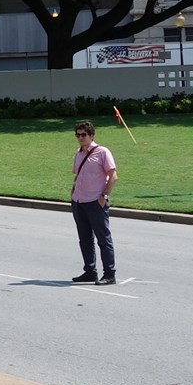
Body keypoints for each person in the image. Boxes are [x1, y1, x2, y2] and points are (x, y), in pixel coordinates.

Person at [69, 121, 119, 285]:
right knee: (85, 239)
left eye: (84, 134)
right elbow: (78, 174)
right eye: (78, 135)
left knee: (103, 239)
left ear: (91, 135)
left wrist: (104, 195)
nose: (80, 138)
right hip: (79, 201)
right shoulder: (78, 153)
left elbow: (113, 176)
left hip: (95, 202)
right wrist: (73, 192)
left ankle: (110, 274)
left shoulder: (102, 152)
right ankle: (90, 271)